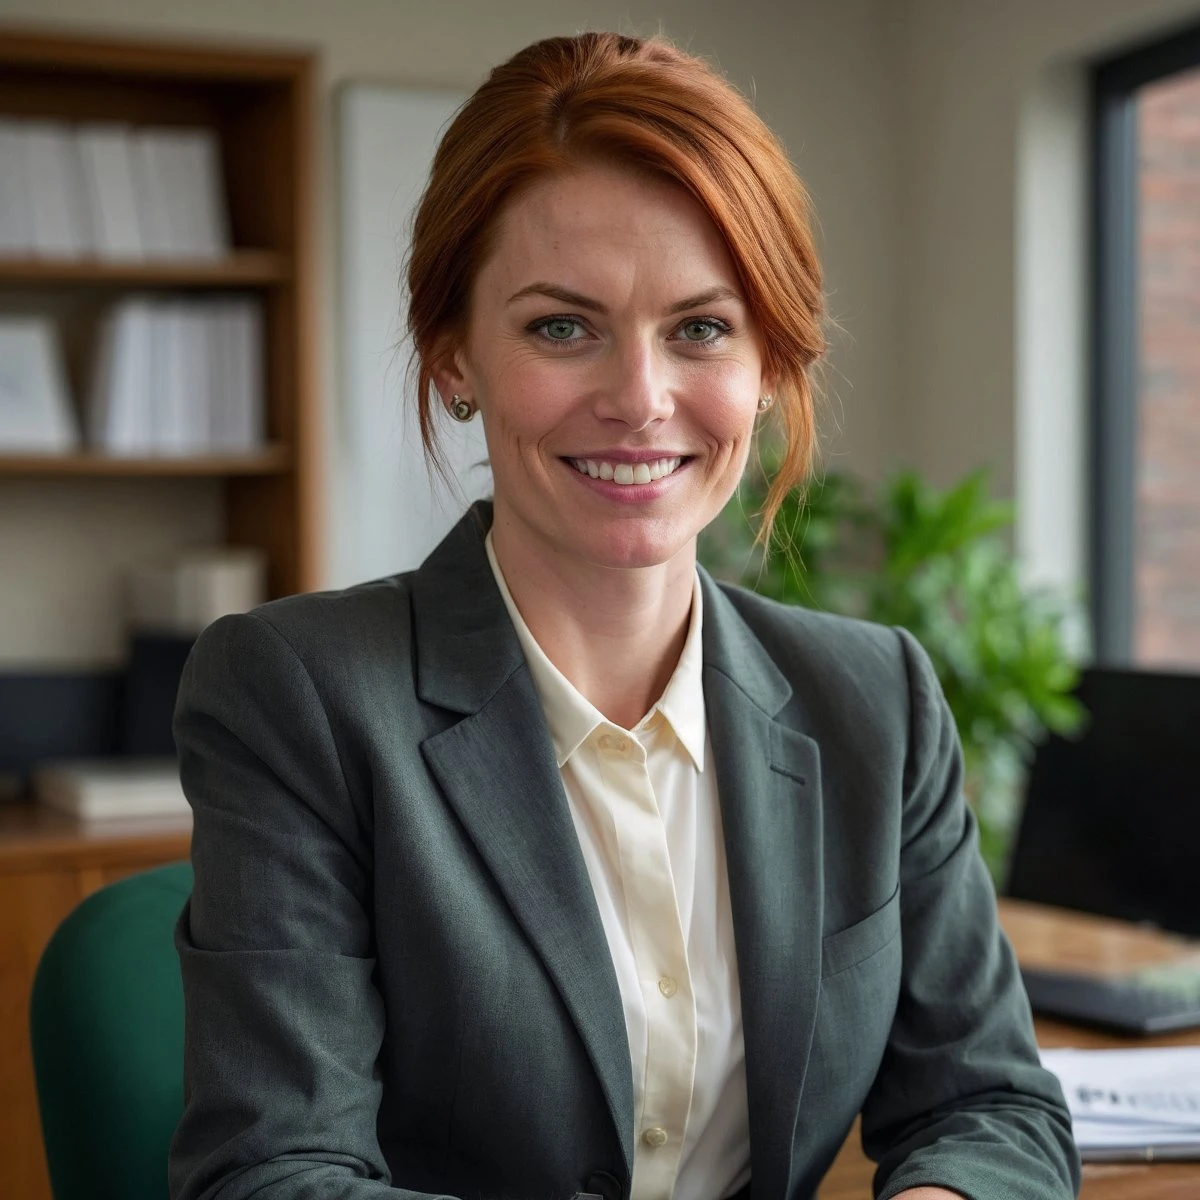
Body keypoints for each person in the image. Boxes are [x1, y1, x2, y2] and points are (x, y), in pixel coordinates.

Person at [169, 31, 1080, 1200]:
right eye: (562, 327)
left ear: (767, 366)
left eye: (701, 328)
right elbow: (272, 1175)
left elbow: (990, 1103)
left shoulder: (876, 700)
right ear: (456, 358)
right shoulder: (296, 697)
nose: (639, 401)